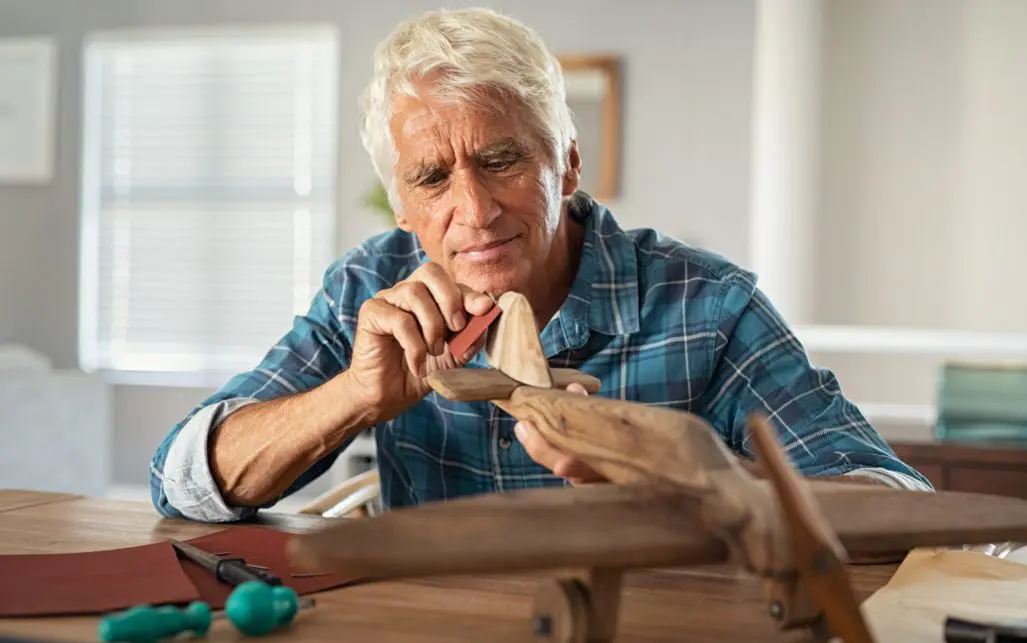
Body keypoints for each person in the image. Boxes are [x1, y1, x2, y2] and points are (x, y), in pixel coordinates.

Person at [149, 7, 931, 523]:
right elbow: (178, 477)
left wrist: (691, 476)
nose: (475, 210)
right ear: (402, 205)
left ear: (568, 163)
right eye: (432, 178)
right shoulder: (368, 289)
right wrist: (354, 396)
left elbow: (900, 504)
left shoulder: (707, 306)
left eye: (501, 161)